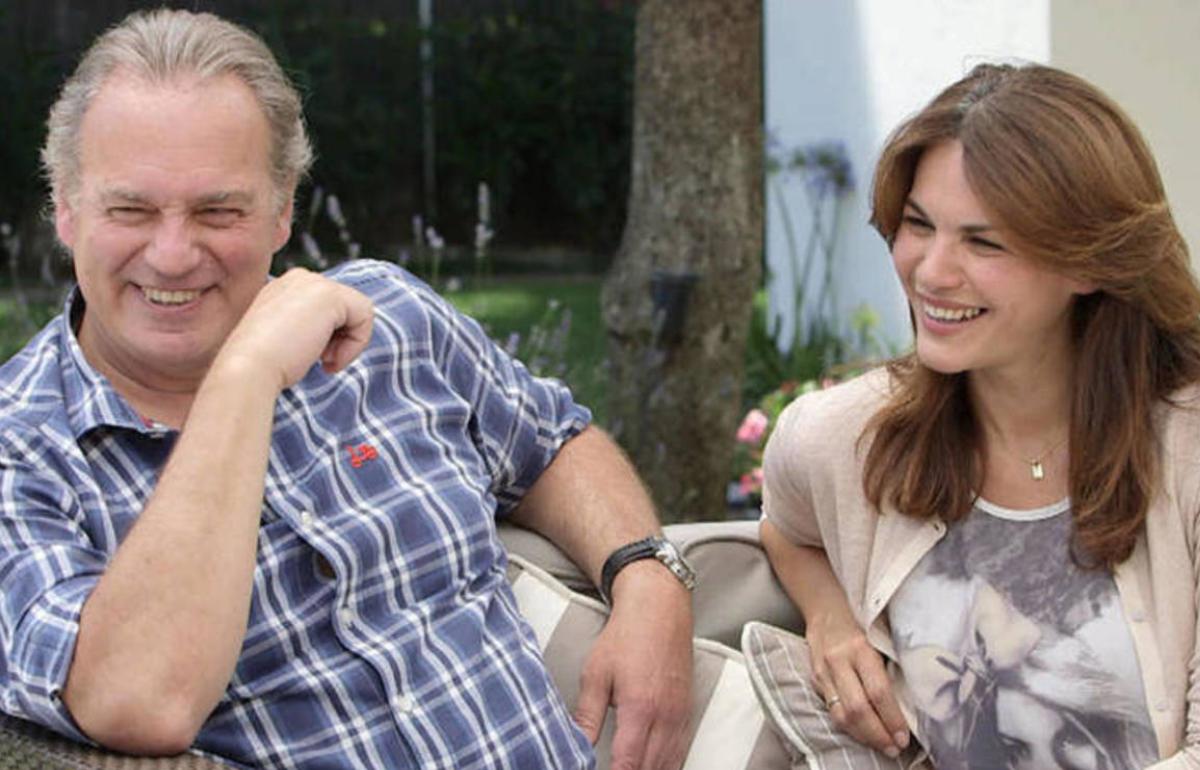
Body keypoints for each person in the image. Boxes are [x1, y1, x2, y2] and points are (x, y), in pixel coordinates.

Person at [0, 9, 695, 769]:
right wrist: (244, 379)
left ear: (281, 212)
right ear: (65, 210)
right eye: (131, 209)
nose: (171, 254)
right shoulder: (21, 452)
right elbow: (138, 701)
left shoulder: (387, 317)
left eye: (217, 210)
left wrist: (647, 575)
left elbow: (551, 441)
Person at [759, 62, 1200, 769]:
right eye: (918, 225)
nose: (931, 271)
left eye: (983, 242)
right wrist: (830, 619)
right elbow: (785, 524)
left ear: (1089, 262)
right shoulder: (847, 436)